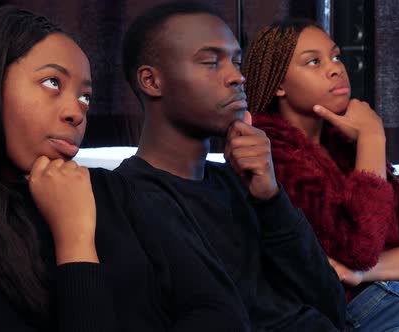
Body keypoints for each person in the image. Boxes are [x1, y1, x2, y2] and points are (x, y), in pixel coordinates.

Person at [0, 6, 249, 332]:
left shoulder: (115, 190)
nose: (76, 112)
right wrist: (75, 240)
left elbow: (221, 309)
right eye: (53, 83)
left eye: (85, 96)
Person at [244, 18, 399, 331]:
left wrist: (364, 273)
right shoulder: (271, 155)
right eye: (313, 62)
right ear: (279, 84)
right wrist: (373, 137)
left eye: (336, 56)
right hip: (368, 317)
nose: (336, 68)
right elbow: (358, 248)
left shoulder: (342, 146)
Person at [116, 2, 346, 331]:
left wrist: (271, 199)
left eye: (236, 61)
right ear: (151, 81)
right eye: (211, 62)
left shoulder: (240, 182)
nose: (237, 77)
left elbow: (333, 306)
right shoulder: (129, 199)